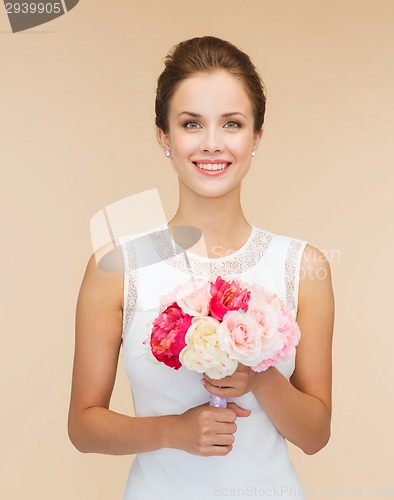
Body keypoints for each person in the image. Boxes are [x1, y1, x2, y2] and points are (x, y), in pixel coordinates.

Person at [68, 35, 335, 499]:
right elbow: (83, 426)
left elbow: (315, 436)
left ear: (256, 137)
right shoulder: (118, 268)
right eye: (192, 124)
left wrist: (259, 376)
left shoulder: (301, 267)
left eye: (232, 124)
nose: (212, 144)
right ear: (164, 137)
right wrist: (172, 431)